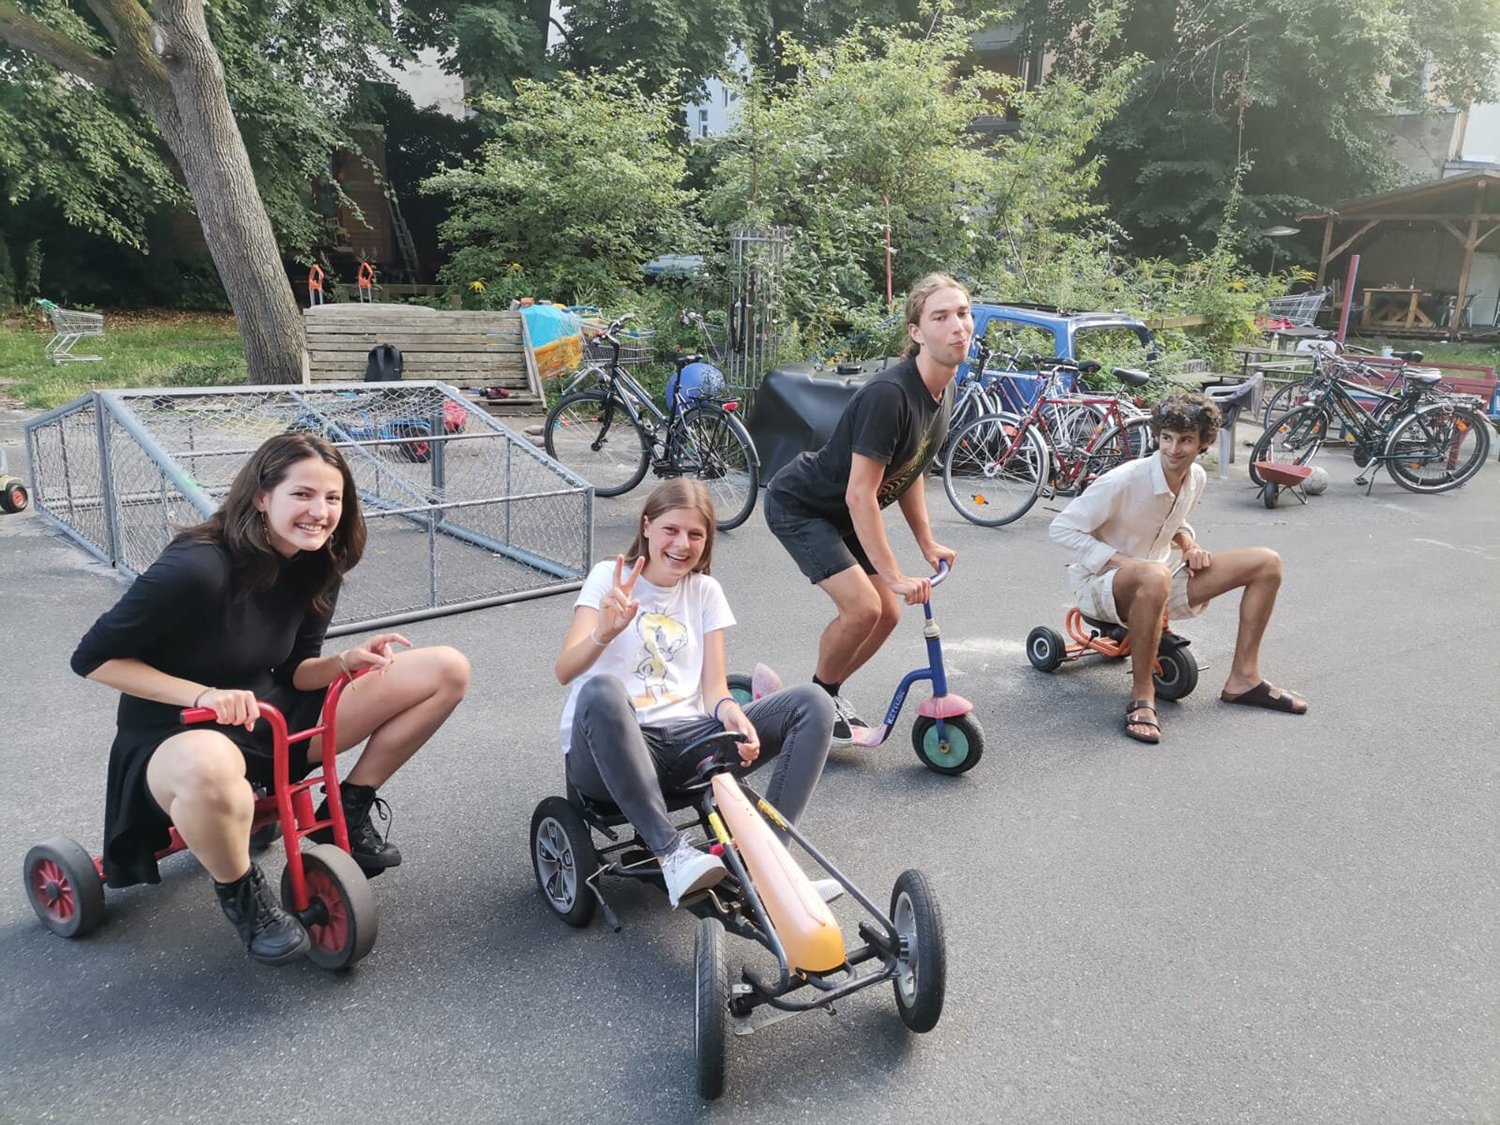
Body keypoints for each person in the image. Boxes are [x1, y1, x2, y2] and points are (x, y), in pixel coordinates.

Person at [71, 433, 471, 964]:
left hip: (270, 714)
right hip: (176, 731)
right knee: (212, 767)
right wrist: (205, 696)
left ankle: (348, 807)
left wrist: (344, 662)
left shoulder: (318, 561)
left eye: (333, 498)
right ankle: (244, 894)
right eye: (303, 495)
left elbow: (295, 671)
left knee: (446, 669)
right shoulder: (197, 567)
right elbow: (93, 658)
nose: (320, 512)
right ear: (262, 496)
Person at [556, 479, 835, 908]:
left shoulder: (705, 592)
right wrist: (602, 633)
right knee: (602, 690)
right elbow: (564, 671)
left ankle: (770, 866)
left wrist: (731, 713)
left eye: (695, 534)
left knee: (815, 703)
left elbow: (714, 688)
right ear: (646, 526)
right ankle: (672, 855)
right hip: (611, 751)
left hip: (688, 743)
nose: (682, 544)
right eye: (671, 529)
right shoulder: (607, 580)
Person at [764, 273, 973, 741]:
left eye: (962, 313)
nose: (957, 325)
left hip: (843, 511)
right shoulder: (890, 395)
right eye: (940, 316)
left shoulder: (945, 387)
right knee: (862, 608)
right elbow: (861, 494)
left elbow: (911, 466)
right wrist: (895, 574)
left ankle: (823, 696)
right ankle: (813, 706)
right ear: (917, 332)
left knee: (889, 614)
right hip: (803, 505)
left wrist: (926, 541)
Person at [1049, 393, 1308, 744]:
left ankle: (1243, 679)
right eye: (1166, 438)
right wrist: (1125, 562)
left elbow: (1174, 521)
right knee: (1153, 573)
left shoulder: (1195, 477)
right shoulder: (1124, 480)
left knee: (1266, 561)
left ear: (1204, 442)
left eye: (1185, 440)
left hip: (1157, 579)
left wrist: (1189, 545)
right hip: (1100, 585)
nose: (1174, 449)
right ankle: (1142, 695)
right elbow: (1061, 528)